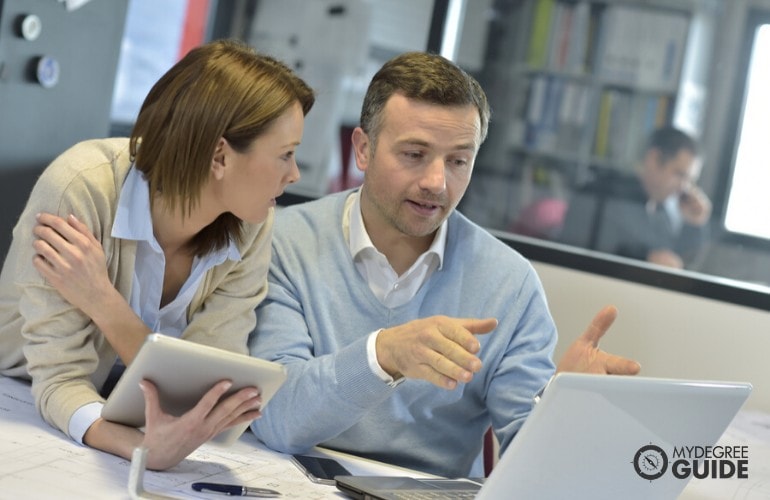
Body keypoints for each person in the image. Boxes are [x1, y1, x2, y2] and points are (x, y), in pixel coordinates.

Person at [247, 51, 640, 479]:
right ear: (363, 149)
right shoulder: (285, 242)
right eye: (415, 154)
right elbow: (277, 418)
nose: (437, 182)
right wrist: (384, 355)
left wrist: (566, 412)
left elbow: (531, 472)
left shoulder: (509, 283)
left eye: (458, 161)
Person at [0, 39, 315, 471]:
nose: (293, 174)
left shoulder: (253, 221)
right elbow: (58, 381)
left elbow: (204, 391)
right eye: (286, 155)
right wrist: (143, 452)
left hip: (123, 414)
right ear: (220, 155)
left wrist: (104, 302)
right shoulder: (80, 186)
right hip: (21, 397)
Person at [558, 126, 711, 269]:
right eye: (679, 174)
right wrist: (645, 259)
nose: (683, 187)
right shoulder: (606, 195)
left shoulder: (661, 212)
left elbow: (677, 264)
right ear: (654, 158)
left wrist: (695, 224)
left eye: (689, 180)